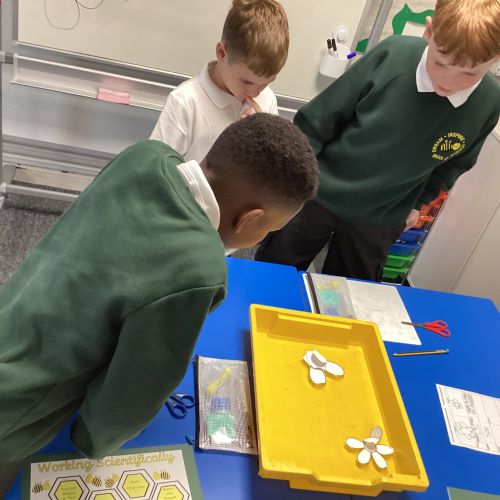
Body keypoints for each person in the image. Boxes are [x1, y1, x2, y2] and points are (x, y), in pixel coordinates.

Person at [0, 113, 319, 496]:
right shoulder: (199, 268)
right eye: (267, 230)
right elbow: (135, 389)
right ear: (249, 218)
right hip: (17, 409)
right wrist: (91, 441)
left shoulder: (146, 155)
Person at [256, 0, 500, 281]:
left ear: (495, 58)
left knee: (353, 290)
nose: (449, 82)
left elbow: (454, 165)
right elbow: (317, 121)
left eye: (469, 74)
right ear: (429, 32)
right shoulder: (392, 55)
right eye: (440, 63)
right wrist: (294, 179)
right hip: (317, 190)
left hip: (382, 215)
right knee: (274, 270)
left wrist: (418, 204)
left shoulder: (489, 101)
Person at [149, 0, 289, 162]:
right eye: (246, 82)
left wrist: (264, 138)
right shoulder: (185, 102)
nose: (256, 93)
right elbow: (154, 168)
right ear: (221, 53)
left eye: (266, 83)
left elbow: (273, 166)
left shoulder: (267, 99)